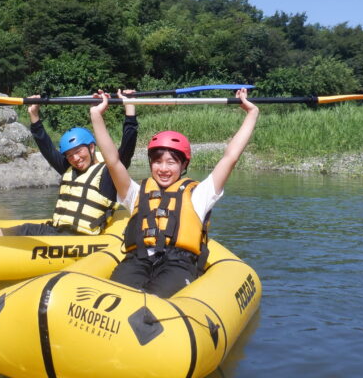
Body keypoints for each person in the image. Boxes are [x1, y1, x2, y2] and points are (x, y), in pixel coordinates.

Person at [89, 87, 259, 297]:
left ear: (183, 165)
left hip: (178, 264)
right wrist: (96, 116)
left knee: (155, 301)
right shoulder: (135, 192)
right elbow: (113, 162)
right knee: (115, 298)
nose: (163, 169)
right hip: (137, 260)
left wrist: (251, 113)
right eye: (158, 162)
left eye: (171, 162)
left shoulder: (199, 194)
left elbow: (230, 158)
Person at [0, 92, 138, 236]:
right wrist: (34, 114)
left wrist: (129, 107)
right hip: (54, 230)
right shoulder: (68, 168)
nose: (75, 159)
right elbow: (46, 146)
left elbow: (127, 148)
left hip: (77, 238)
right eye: (70, 155)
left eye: (79, 152)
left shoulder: (109, 175)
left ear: (91, 148)